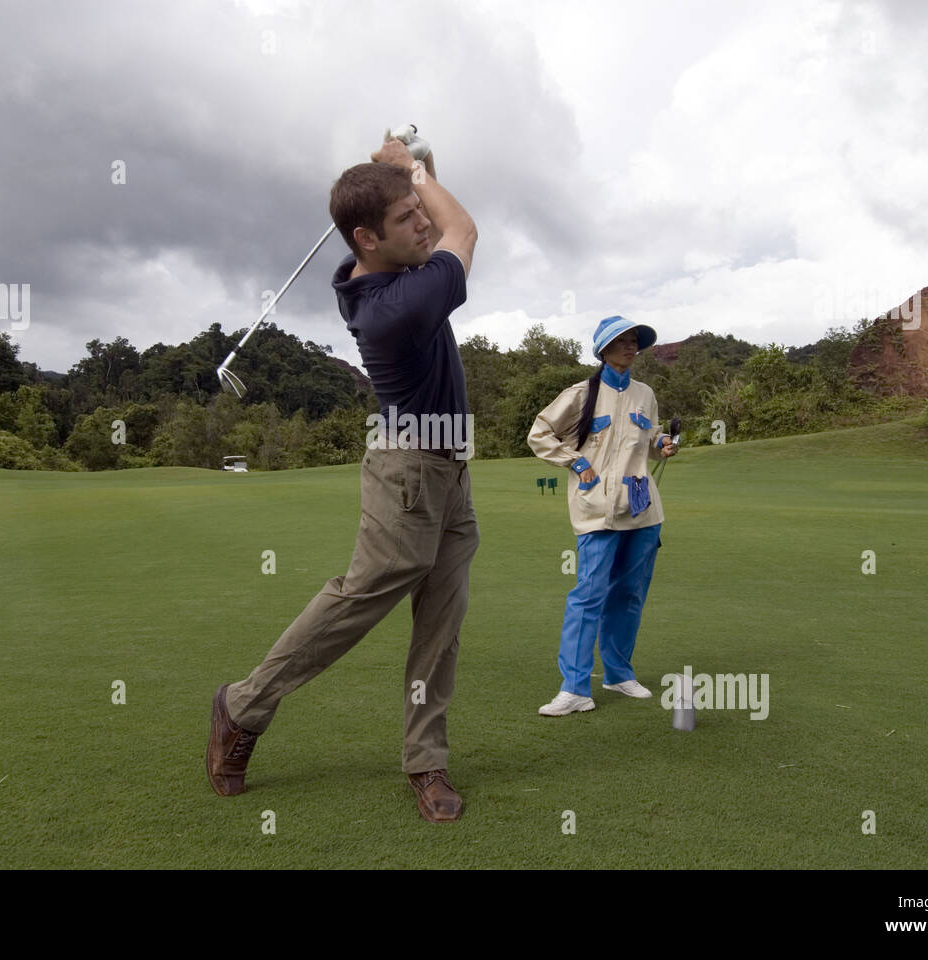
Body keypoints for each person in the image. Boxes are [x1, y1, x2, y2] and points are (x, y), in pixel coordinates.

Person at [207, 133, 480, 823]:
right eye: (404, 220)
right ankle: (242, 706)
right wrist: (409, 169)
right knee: (359, 599)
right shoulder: (396, 310)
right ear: (366, 238)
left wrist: (405, 175)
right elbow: (462, 227)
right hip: (409, 471)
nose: (421, 224)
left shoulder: (387, 266)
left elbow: (426, 214)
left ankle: (426, 760)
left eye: (418, 210)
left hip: (452, 470)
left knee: (441, 624)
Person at [526, 316, 676, 716]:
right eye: (622, 342)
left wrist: (662, 443)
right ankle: (574, 687)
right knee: (588, 595)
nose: (631, 347)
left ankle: (618, 672)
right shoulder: (579, 394)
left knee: (629, 595)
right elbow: (539, 434)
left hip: (643, 509)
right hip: (597, 511)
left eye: (634, 342)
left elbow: (651, 437)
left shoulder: (645, 394)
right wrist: (575, 463)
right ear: (603, 350)